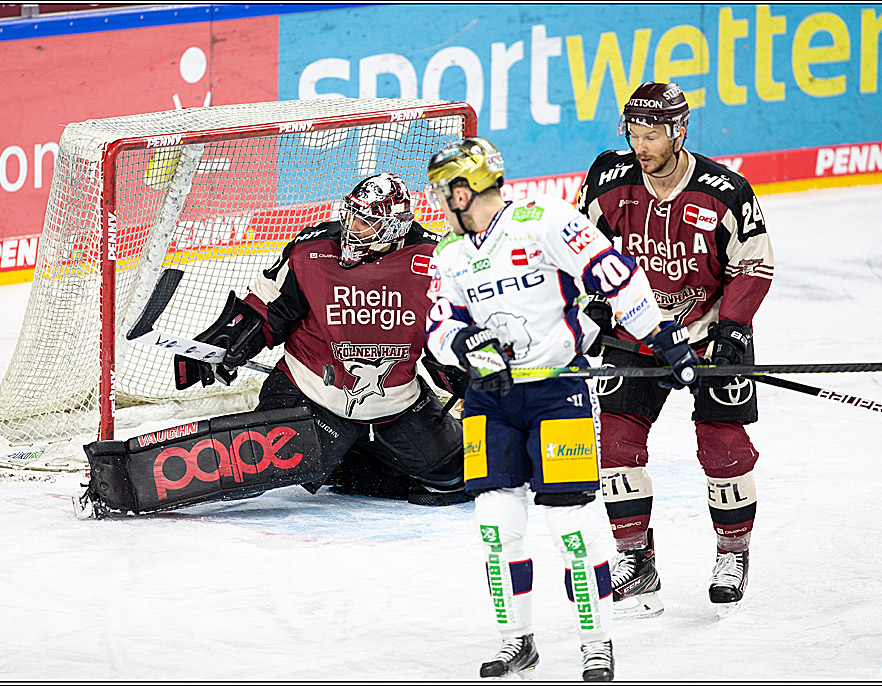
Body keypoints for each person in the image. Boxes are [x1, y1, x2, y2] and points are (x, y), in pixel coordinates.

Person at [423, 137, 699, 681]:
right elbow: (439, 325)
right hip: (492, 399)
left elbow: (615, 275)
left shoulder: (544, 219)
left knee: (571, 526)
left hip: (557, 393)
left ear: (467, 188)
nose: (439, 202)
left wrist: (663, 337)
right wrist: (468, 348)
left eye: (444, 190)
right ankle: (515, 641)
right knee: (497, 526)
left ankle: (597, 644)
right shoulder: (450, 253)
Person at [78, 172, 471, 518]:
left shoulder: (434, 261)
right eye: (349, 215)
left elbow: (444, 333)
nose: (351, 228)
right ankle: (120, 477)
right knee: (248, 470)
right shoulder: (312, 251)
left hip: (396, 405)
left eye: (364, 223)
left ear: (391, 228)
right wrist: (231, 340)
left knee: (459, 477)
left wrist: (467, 373)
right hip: (308, 394)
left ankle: (342, 458)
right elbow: (268, 308)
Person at [576, 81, 775, 618]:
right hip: (634, 332)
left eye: (651, 135)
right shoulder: (608, 179)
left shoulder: (725, 190)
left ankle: (732, 555)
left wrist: (733, 329)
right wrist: (593, 303)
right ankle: (636, 560)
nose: (640, 145)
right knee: (615, 443)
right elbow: (584, 246)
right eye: (633, 132)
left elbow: (753, 265)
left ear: (678, 131)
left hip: (709, 334)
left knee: (723, 446)